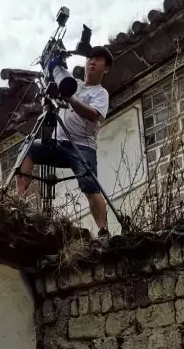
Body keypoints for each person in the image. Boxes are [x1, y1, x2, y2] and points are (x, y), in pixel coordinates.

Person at [16, 45, 113, 238]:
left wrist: (72, 101)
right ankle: (20, 204)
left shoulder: (100, 93)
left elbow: (93, 115)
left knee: (89, 185)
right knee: (28, 147)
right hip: (58, 143)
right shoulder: (72, 83)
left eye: (98, 60)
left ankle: (103, 230)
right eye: (90, 58)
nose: (92, 62)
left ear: (106, 69)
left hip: (82, 146)